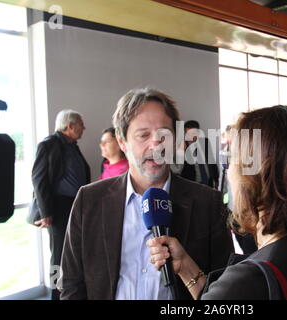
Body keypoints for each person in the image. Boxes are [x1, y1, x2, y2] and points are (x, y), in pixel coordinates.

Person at [148, 105, 287, 300]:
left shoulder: (249, 281)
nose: (230, 170)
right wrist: (185, 265)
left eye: (234, 159)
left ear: (259, 177)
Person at [58, 88, 233, 300]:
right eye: (143, 135)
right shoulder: (89, 200)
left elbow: (225, 290)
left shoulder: (208, 203)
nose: (156, 144)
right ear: (122, 142)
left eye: (164, 134)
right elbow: (71, 285)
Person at [31, 109, 90, 300]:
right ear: (70, 126)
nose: (84, 127)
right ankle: (56, 295)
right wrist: (45, 211)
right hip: (58, 207)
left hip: (75, 205)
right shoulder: (49, 144)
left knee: (76, 250)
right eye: (81, 123)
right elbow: (38, 179)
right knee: (58, 255)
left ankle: (74, 291)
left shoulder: (72, 145)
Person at [180, 120, 219, 189]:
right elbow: (179, 168)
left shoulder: (205, 142)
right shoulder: (183, 145)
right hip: (192, 183)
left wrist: (216, 179)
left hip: (208, 182)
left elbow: (212, 161)